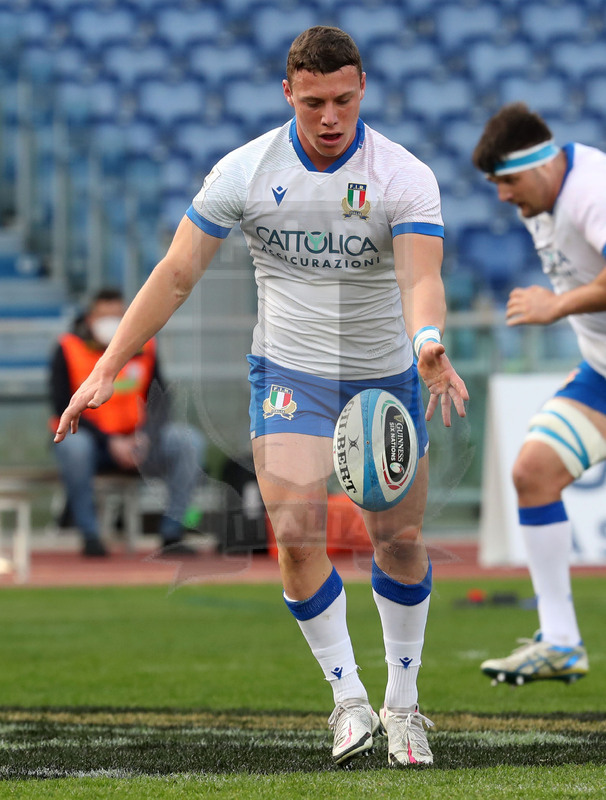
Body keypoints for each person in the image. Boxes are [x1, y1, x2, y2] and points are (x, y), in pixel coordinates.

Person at [53, 28, 468, 766]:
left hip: (385, 374)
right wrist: (111, 362)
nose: (330, 116)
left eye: (343, 99)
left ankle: (403, 708)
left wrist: (427, 341)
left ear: (363, 87)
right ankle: (348, 703)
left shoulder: (404, 175)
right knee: (297, 532)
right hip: (289, 375)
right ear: (288, 95)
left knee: (398, 540)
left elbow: (419, 276)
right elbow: (177, 271)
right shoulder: (246, 170)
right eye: (314, 102)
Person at [472, 102, 606, 685]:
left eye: (508, 181)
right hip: (601, 374)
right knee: (533, 473)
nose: (502, 196)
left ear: (544, 164)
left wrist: (556, 306)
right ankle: (560, 642)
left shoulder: (590, 190)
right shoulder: (540, 198)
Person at [51, 287, 206, 557]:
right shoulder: (67, 349)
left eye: (117, 315)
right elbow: (61, 407)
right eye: (103, 316)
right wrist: (111, 442)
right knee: (75, 448)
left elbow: (160, 400)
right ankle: (90, 536)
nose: (110, 322)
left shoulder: (145, 347)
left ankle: (172, 532)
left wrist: (145, 436)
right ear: (89, 319)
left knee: (188, 442)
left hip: (139, 443)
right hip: (93, 444)